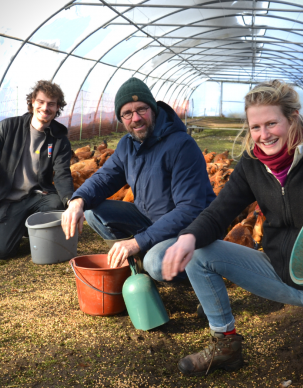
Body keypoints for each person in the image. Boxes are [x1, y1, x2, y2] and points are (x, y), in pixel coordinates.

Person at [151, 79, 303, 376]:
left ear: (293, 118)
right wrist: (187, 238)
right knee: (197, 251)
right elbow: (218, 212)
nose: (263, 135)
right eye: (255, 127)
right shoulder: (252, 165)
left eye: (271, 123)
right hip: (275, 271)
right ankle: (226, 343)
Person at [62, 77, 215, 278]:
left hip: (187, 230)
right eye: (127, 113)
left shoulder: (181, 145)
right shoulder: (128, 144)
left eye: (141, 109)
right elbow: (104, 178)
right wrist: (77, 201)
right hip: (150, 220)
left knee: (156, 264)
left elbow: (189, 210)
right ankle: (137, 259)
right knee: (93, 211)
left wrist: (138, 242)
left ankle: (198, 266)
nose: (135, 118)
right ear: (121, 118)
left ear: (153, 109)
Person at [0, 80, 74, 259]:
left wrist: (71, 202)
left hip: (38, 197)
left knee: (58, 205)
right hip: (8, 199)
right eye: (41, 101)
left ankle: (27, 226)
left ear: (57, 108)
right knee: (1, 252)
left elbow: (63, 173)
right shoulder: (8, 127)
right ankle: (16, 226)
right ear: (32, 102)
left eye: (51, 104)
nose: (45, 107)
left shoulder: (59, 139)